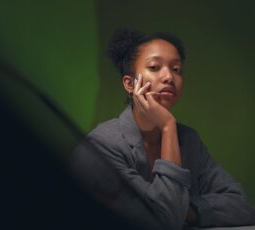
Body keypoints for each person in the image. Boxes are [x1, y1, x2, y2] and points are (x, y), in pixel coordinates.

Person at [72, 28, 255, 230]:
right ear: (130, 84)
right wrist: (168, 127)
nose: (169, 76)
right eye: (154, 67)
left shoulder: (189, 141)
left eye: (176, 69)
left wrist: (185, 209)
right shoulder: (100, 146)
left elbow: (241, 206)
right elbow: (164, 222)